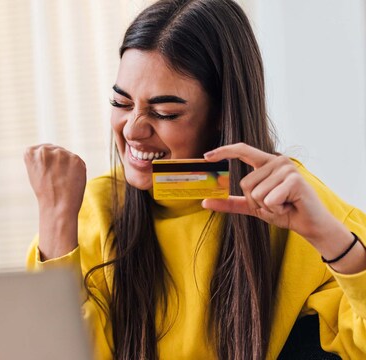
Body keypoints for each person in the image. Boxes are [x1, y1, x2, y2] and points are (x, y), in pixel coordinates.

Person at [23, 0, 366, 359]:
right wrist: (56, 219)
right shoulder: (88, 210)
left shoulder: (293, 202)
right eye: (121, 103)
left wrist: (328, 237)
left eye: (164, 112)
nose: (134, 130)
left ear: (222, 112)